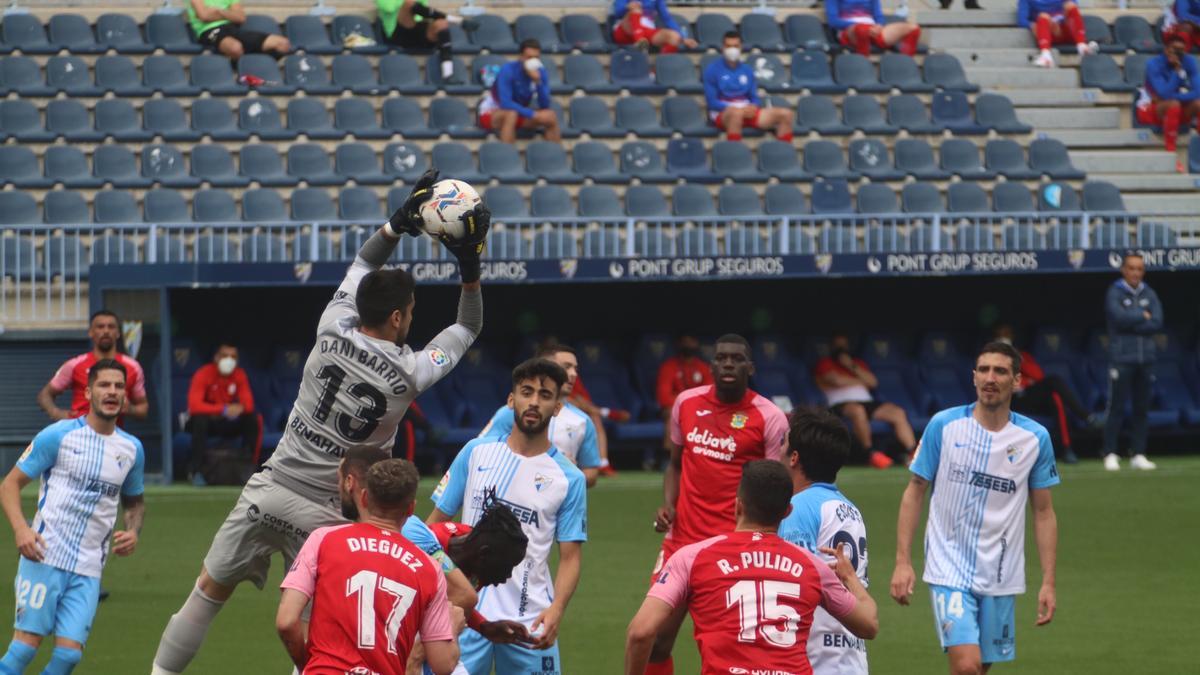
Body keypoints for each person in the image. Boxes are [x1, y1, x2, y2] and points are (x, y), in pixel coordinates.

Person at [150, 170, 490, 675]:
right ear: (398, 318)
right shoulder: (410, 374)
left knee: (206, 592)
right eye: (411, 311)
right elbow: (467, 324)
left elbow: (364, 261)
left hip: (271, 487)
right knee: (322, 628)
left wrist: (398, 222)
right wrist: (468, 265)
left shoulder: (330, 326)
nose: (412, 319)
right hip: (331, 515)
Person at [891, 341, 1060, 675]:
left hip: (1001, 572)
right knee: (967, 666)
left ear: (1016, 381)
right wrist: (902, 561)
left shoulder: (1034, 438)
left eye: (1000, 371)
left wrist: (1048, 581)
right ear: (973, 377)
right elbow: (915, 491)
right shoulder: (944, 425)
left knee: (980, 668)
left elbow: (1043, 512)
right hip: (948, 565)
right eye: (983, 369)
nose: (990, 377)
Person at [625, 460, 878, 675]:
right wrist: (850, 578)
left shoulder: (692, 557)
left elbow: (641, 633)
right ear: (787, 512)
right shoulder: (813, 566)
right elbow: (868, 625)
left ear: (737, 506)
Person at [429, 358, 587, 675]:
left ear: (557, 407)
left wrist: (556, 611)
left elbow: (570, 557)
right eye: (526, 392)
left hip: (530, 621)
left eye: (545, 395)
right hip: (463, 613)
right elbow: (432, 527)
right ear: (511, 399)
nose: (533, 401)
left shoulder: (569, 479)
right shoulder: (475, 452)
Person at [647, 333, 789, 675]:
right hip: (680, 545)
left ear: (750, 367)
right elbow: (675, 465)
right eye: (721, 357)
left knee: (727, 653)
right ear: (711, 365)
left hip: (732, 551)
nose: (728, 363)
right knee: (654, 641)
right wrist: (669, 506)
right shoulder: (686, 403)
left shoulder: (768, 417)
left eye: (737, 358)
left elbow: (775, 486)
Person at [0, 360, 145, 675]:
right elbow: (9, 484)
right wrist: (21, 530)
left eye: (119, 387)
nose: (112, 392)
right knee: (24, 648)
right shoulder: (58, 436)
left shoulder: (132, 449)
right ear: (89, 392)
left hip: (90, 567)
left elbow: (134, 502)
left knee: (68, 657)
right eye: (105, 385)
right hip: (44, 555)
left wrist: (133, 531)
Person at [276, 457, 459, 675]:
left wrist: (306, 666)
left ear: (363, 498)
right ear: (411, 508)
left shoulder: (323, 540)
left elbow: (286, 622)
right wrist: (453, 627)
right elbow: (443, 665)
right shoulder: (429, 568)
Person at [778, 408, 871, 674]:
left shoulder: (796, 507)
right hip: (851, 657)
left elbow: (793, 585)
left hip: (814, 659)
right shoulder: (850, 509)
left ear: (794, 458)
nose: (778, 451)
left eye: (783, 443)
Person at [479, 345, 603, 487]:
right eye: (567, 367)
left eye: (575, 369)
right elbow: (481, 454)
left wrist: (565, 477)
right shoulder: (512, 411)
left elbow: (591, 473)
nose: (573, 374)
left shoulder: (583, 421)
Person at [993, 323, 1098, 465]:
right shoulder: (992, 360)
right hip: (1010, 400)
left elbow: (1038, 376)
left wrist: (1015, 358)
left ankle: (1066, 449)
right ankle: (1086, 417)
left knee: (1055, 396)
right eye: (1001, 336)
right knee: (1054, 381)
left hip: (1028, 397)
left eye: (1007, 336)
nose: (1004, 339)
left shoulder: (1020, 356)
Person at [813, 333, 917, 470]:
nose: (841, 348)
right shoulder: (825, 363)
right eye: (838, 345)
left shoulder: (856, 363)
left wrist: (850, 365)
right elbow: (835, 380)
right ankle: (871, 454)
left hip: (866, 402)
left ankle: (913, 453)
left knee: (897, 413)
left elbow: (873, 382)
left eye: (844, 345)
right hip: (841, 404)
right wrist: (860, 381)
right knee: (858, 410)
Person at [1102, 253, 1163, 472]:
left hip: (1146, 359)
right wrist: (1142, 315)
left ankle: (1138, 453)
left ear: (1143, 271)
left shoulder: (1150, 293)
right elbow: (1118, 319)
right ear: (1124, 270)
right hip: (1122, 358)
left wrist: (1134, 319)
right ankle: (1110, 452)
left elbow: (1157, 322)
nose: (1135, 273)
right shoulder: (1114, 292)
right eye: (1131, 268)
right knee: (1116, 407)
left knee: (1142, 408)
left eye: (1139, 269)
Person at [39, 309, 148, 424]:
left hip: (112, 437)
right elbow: (45, 395)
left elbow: (143, 408)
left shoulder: (132, 367)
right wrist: (59, 415)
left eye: (111, 327)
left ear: (118, 333)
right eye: (100, 327)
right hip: (78, 437)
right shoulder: (75, 365)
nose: (106, 331)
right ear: (90, 332)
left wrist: (130, 408)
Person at [185, 342, 260, 484]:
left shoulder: (239, 374)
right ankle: (196, 472)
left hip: (227, 423)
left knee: (252, 419)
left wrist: (238, 409)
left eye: (233, 356)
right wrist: (224, 409)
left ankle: (248, 468)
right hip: (208, 423)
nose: (229, 360)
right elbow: (194, 406)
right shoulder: (204, 373)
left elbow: (248, 405)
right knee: (199, 420)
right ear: (216, 358)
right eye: (225, 356)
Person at [703, 32, 795, 142]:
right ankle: (735, 154)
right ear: (723, 48)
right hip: (723, 113)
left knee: (786, 114)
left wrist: (753, 107)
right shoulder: (712, 70)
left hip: (746, 110)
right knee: (735, 114)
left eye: (736, 46)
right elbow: (712, 102)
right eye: (729, 46)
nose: (732, 50)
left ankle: (783, 154)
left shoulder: (747, 70)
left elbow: (754, 98)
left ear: (741, 47)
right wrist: (737, 109)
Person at [477, 39, 561, 144]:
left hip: (520, 113)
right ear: (521, 57)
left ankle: (556, 156)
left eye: (536, 58)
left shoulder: (540, 71)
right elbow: (505, 103)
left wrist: (538, 82)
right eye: (529, 57)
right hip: (492, 113)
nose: (533, 61)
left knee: (550, 116)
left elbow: (544, 104)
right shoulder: (508, 70)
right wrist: (532, 114)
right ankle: (508, 156)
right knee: (511, 114)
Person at [653, 335, 713, 470]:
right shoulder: (669, 367)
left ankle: (706, 459)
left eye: (692, 343)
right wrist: (685, 406)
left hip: (699, 409)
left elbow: (710, 393)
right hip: (674, 408)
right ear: (679, 345)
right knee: (670, 415)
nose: (689, 346)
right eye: (685, 343)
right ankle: (669, 459)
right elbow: (663, 396)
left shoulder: (703, 368)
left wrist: (694, 407)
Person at [1135, 34, 1200, 156]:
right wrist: (1177, 72)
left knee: (1198, 104)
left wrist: (1176, 97)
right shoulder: (1153, 64)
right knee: (1173, 104)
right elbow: (1163, 93)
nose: (1178, 53)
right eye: (1174, 49)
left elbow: (1198, 92)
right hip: (1150, 109)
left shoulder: (1189, 61)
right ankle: (1171, 152)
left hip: (1175, 108)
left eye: (1181, 50)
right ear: (1166, 49)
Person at [377, 0, 473, 82]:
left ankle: (447, 73)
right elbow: (389, 8)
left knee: (441, 24)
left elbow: (423, 12)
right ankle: (458, 21)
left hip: (418, 29)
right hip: (395, 33)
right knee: (408, 3)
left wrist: (416, 10)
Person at [187, 0, 290, 61]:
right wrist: (231, 14)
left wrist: (220, 12)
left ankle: (248, 66)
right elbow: (204, 16)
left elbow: (241, 18)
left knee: (282, 44)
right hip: (209, 31)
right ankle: (241, 69)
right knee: (235, 48)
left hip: (233, 29)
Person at [825, 0, 922, 57]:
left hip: (872, 28)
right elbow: (833, 21)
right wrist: (861, 24)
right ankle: (863, 67)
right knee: (862, 29)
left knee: (913, 28)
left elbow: (879, 16)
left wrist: (879, 26)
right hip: (849, 30)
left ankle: (905, 66)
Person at [1017, 0, 1096, 69]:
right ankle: (1045, 55)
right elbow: (1022, 21)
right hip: (1048, 31)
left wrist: (1058, 21)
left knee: (1071, 6)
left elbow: (1073, 9)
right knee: (1043, 16)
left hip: (1065, 28)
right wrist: (1033, 25)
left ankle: (1082, 45)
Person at [611, 0, 697, 53]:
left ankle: (657, 72)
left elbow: (667, 18)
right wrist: (627, 7)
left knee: (674, 37)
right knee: (636, 8)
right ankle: (640, 43)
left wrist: (682, 38)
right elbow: (617, 12)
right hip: (625, 30)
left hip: (646, 31)